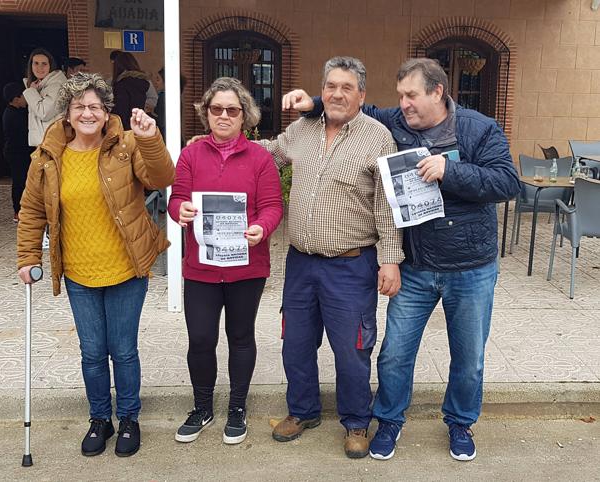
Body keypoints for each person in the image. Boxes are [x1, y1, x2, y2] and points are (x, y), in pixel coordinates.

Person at [283, 57, 521, 461]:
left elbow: (507, 183)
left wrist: (450, 171)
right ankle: (390, 420)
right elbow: (355, 106)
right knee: (394, 353)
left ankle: (460, 424)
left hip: (470, 268)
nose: (404, 104)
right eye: (400, 97)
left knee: (468, 356)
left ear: (437, 92)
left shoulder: (478, 129)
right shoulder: (397, 123)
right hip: (417, 267)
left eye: (411, 95)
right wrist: (314, 104)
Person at [17, 73, 174, 458]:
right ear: (68, 114)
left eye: (95, 107)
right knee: (92, 352)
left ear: (106, 113)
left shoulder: (127, 146)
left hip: (125, 268)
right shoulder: (48, 157)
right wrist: (27, 257)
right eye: (79, 107)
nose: (88, 113)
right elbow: (32, 210)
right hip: (79, 272)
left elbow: (162, 176)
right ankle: (99, 419)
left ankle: (129, 418)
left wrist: (151, 137)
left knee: (122, 350)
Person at [260, 57, 404, 459]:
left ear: (361, 94)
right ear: (321, 91)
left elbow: (387, 206)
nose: (337, 93)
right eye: (331, 86)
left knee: (351, 349)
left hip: (351, 264)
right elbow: (269, 155)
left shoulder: (377, 137)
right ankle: (302, 411)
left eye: (347, 87)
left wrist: (390, 259)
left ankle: (357, 421)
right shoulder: (302, 129)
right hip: (301, 262)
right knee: (296, 342)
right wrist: (222, 147)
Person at [168, 77, 283, 446]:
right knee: (200, 338)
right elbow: (176, 199)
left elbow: (272, 206)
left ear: (244, 116)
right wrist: (180, 210)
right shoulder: (191, 155)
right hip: (201, 266)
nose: (223, 115)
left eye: (231, 110)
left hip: (246, 267)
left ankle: (236, 407)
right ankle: (202, 407)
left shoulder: (260, 158)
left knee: (240, 336)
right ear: (206, 113)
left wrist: (261, 228)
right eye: (216, 109)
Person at [22, 47, 67, 147]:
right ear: (31, 65)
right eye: (36, 63)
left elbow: (44, 113)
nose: (40, 67)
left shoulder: (56, 85)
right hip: (45, 143)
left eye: (44, 64)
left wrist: (31, 92)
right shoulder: (39, 85)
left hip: (53, 144)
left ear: (51, 66)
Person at [1, 82, 31, 222]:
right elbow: (23, 134)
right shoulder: (12, 115)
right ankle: (17, 211)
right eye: (24, 96)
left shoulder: (16, 112)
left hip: (19, 152)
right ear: (16, 99)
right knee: (19, 181)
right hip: (16, 153)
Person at [111, 51, 151, 130]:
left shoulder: (122, 85)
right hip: (138, 125)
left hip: (125, 129)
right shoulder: (142, 82)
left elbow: (121, 110)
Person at [109, 50, 158, 115]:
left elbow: (119, 108)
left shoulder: (119, 83)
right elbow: (154, 98)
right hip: (141, 119)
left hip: (124, 121)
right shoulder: (145, 80)